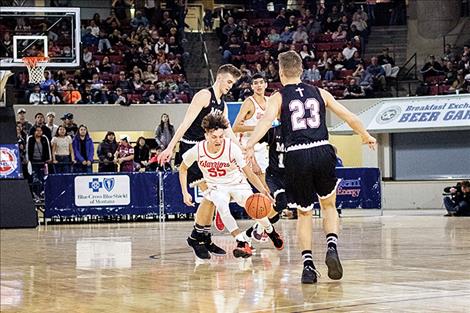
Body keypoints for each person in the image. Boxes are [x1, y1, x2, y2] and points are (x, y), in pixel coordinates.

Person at [245, 51, 377, 284]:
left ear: (280, 71)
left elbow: (265, 122)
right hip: (323, 149)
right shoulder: (320, 92)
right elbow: (349, 116)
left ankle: (308, 266)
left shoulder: (278, 97)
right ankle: (332, 247)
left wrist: (250, 145)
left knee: (304, 213)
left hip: (296, 155)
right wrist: (365, 135)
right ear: (302, 70)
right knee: (328, 205)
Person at [157, 64, 242, 259]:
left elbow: (227, 131)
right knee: (211, 196)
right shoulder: (204, 96)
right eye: (229, 81)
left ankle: (203, 237)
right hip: (191, 149)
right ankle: (197, 237)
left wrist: (240, 151)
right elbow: (185, 123)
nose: (230, 85)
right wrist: (170, 147)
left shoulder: (223, 104)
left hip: (207, 152)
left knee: (212, 198)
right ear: (219, 78)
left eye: (233, 83)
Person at [179, 113, 283, 259]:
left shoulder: (231, 148)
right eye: (214, 137)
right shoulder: (197, 150)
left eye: (221, 136)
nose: (218, 140)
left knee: (254, 207)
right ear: (206, 135)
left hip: (237, 183)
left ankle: (270, 230)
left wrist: (264, 191)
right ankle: (241, 241)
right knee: (222, 206)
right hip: (216, 186)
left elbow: (249, 173)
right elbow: (182, 169)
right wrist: (185, 192)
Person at [233, 73, 270, 193]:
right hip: (246, 148)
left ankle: (270, 211)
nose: (258, 85)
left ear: (266, 84)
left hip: (262, 148)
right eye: (255, 83)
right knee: (243, 187)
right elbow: (236, 127)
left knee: (265, 186)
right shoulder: (249, 103)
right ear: (252, 87)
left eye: (261, 82)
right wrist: (258, 128)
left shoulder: (270, 102)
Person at [26, 127, 51, 199]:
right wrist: (28, 160)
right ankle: (35, 194)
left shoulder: (44, 138)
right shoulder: (30, 139)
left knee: (42, 178)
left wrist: (49, 158)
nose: (39, 132)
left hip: (42, 162)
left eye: (40, 131)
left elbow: (48, 148)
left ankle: (42, 193)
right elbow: (27, 149)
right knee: (35, 178)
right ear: (34, 132)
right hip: (33, 162)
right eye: (37, 131)